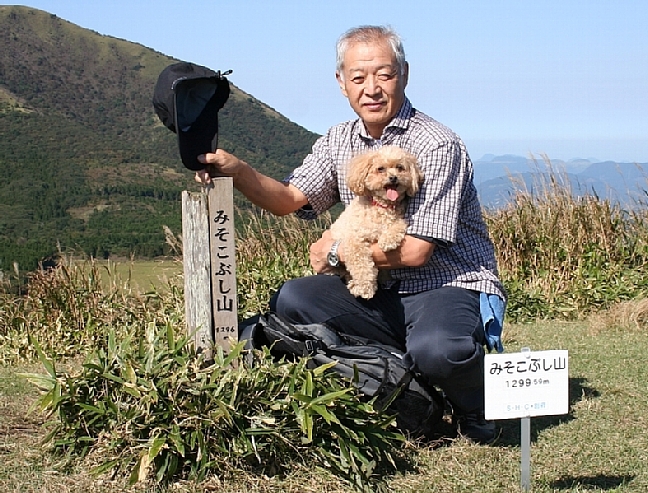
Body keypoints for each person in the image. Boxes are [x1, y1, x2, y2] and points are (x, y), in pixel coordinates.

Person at [196, 25, 507, 444]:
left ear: (404, 74)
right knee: (293, 298)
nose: (372, 88)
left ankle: (475, 406)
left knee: (438, 349)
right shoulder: (339, 140)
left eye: (384, 74)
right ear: (342, 83)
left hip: (445, 284)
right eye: (358, 77)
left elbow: (416, 252)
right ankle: (402, 377)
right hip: (378, 287)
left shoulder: (436, 144)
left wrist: (337, 253)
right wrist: (238, 171)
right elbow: (290, 199)